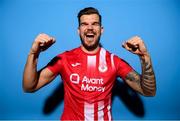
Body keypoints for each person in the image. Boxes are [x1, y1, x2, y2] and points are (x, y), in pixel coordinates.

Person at [23, 7, 156, 121]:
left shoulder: (114, 62)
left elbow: (148, 92)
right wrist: (33, 54)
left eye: (95, 23)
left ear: (101, 29)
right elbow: (29, 87)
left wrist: (144, 57)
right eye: (84, 24)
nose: (90, 28)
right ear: (78, 30)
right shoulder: (64, 59)